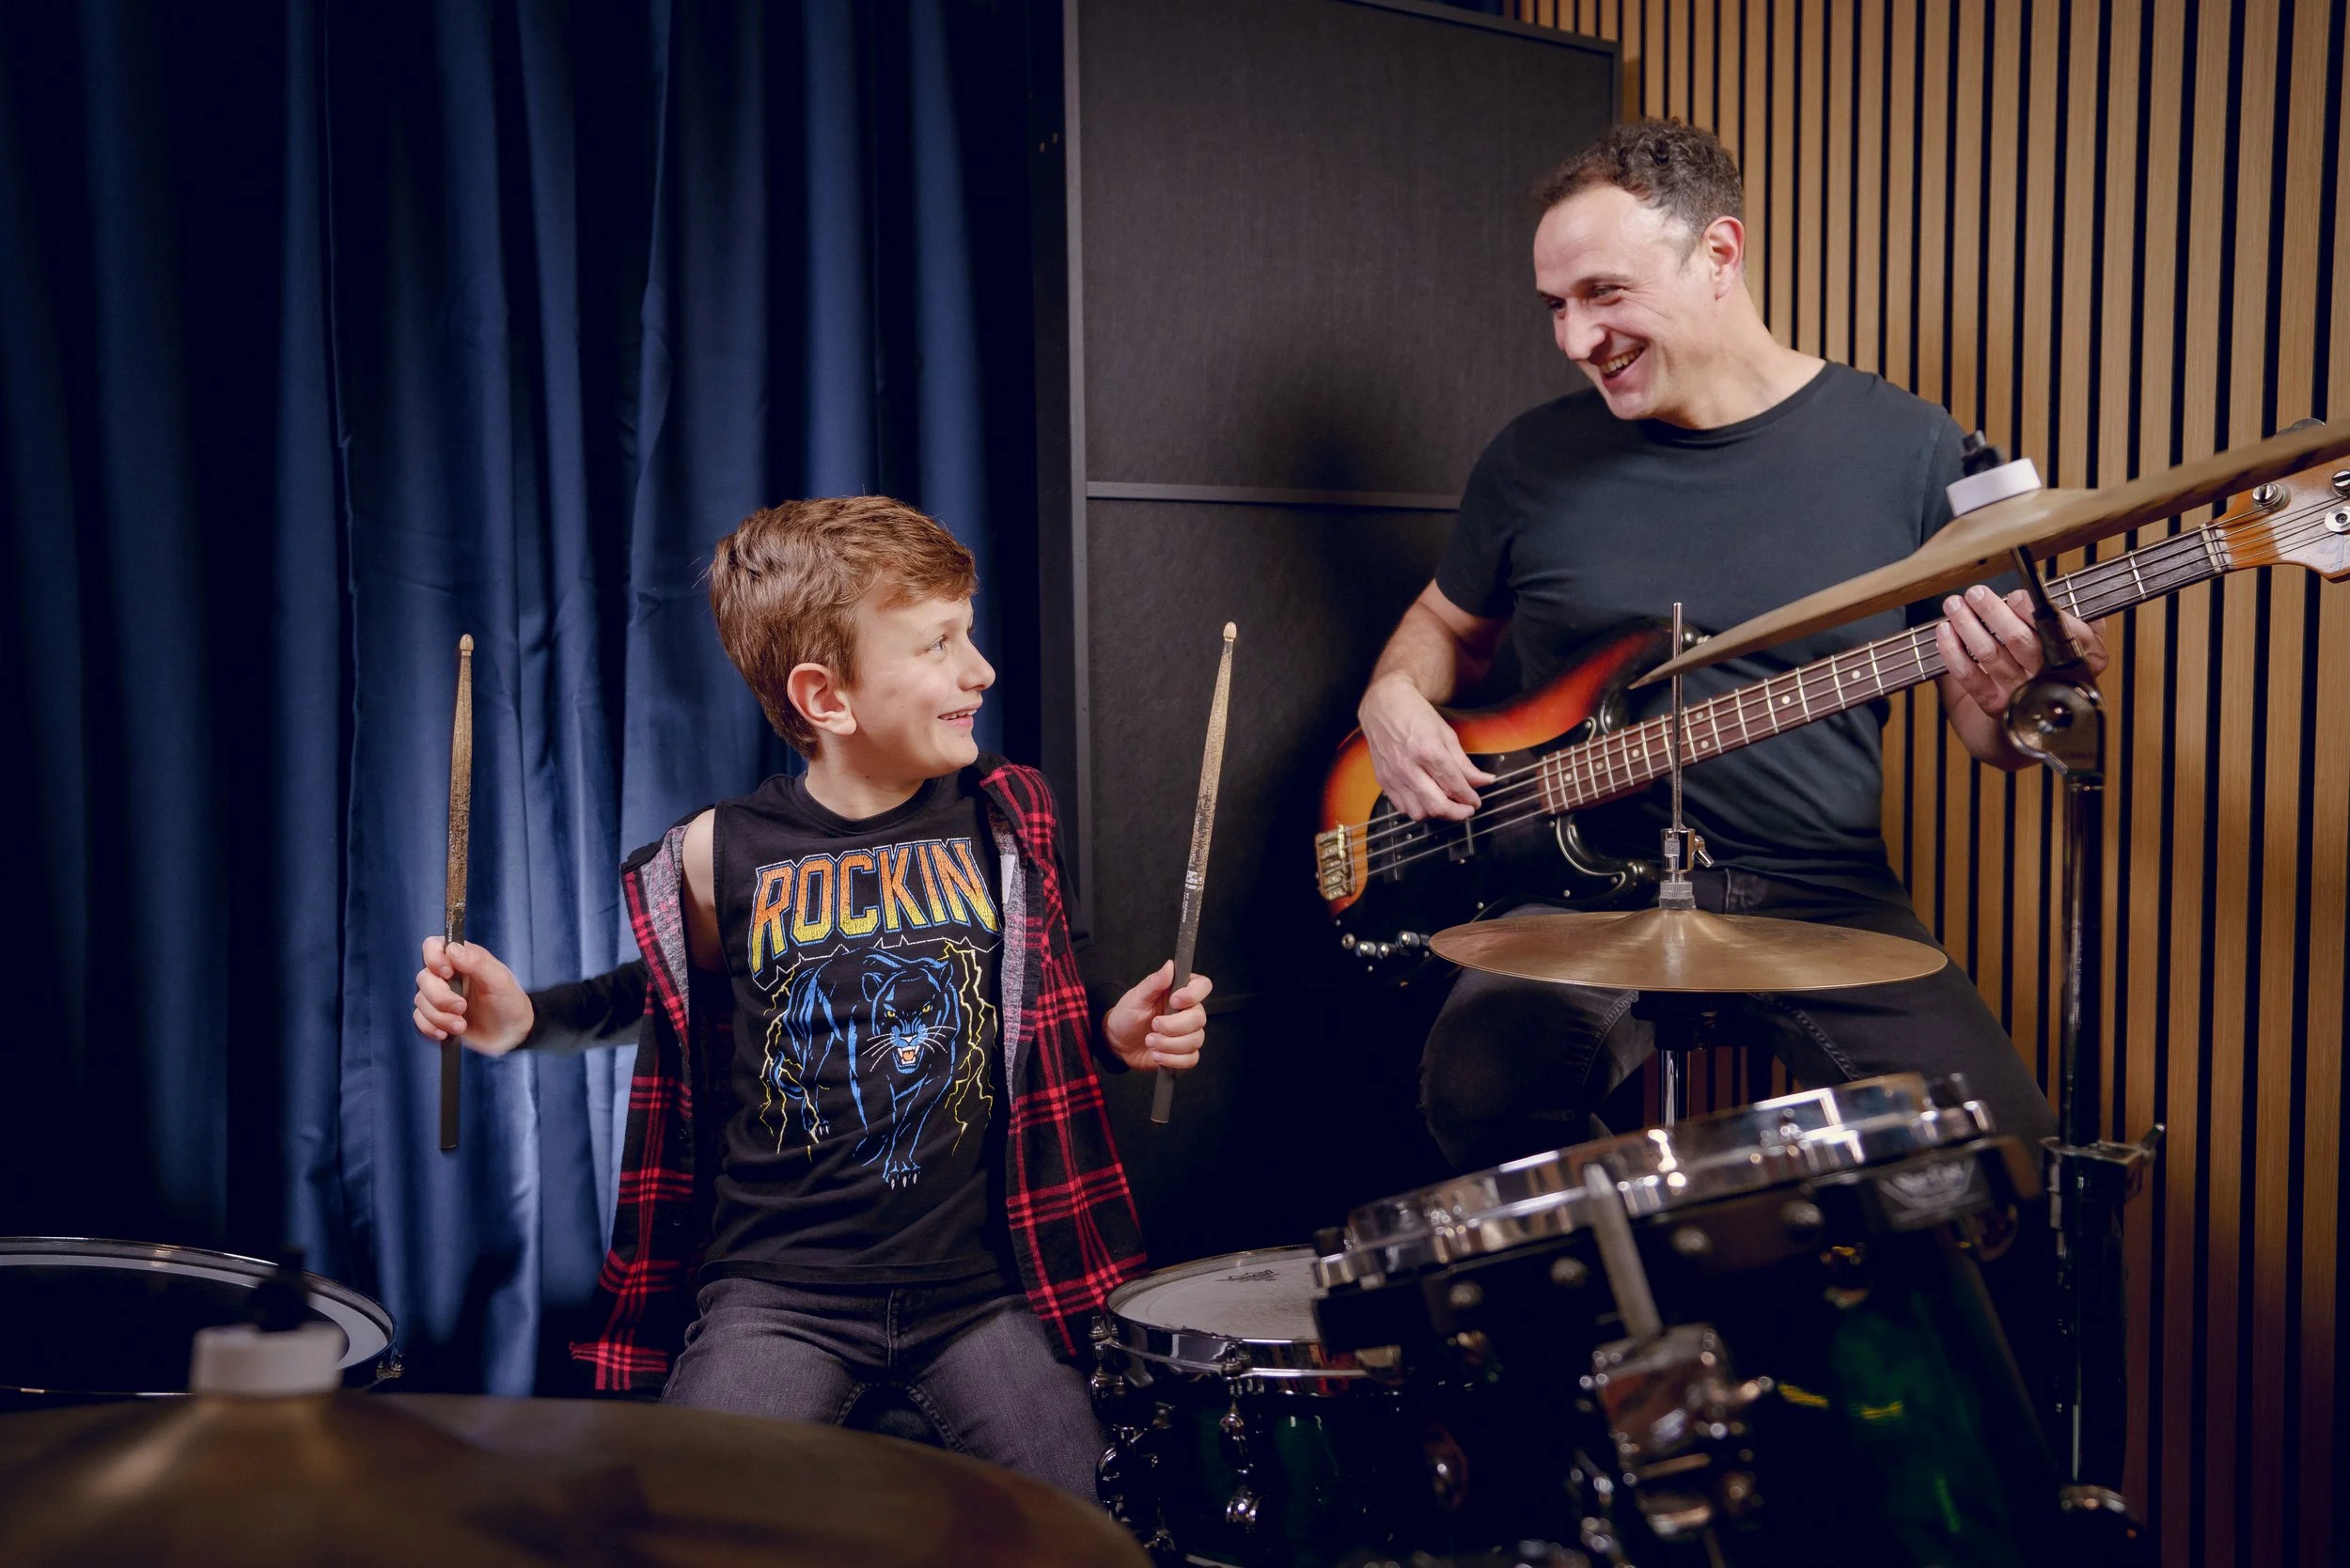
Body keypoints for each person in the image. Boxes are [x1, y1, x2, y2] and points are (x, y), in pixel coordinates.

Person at [411, 496, 1211, 1500]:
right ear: (826, 697)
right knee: (689, 1528)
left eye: (968, 632)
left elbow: (1051, 987)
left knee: (1097, 1527)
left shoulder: (1008, 818)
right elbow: (655, 1000)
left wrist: (1113, 1029)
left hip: (975, 1293)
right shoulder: (717, 852)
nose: (980, 670)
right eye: (939, 644)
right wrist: (527, 1021)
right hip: (778, 1295)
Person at [1356, 118, 2096, 1173]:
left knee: (2006, 1159)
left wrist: (2018, 693)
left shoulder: (1910, 448)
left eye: (1604, 294)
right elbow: (1444, 623)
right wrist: (1390, 696)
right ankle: (1644, 1279)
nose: (1574, 339)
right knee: (1476, 1096)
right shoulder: (1531, 457)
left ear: (1718, 253)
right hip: (1575, 892)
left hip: (1822, 889)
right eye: (1556, 306)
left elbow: (1988, 733)